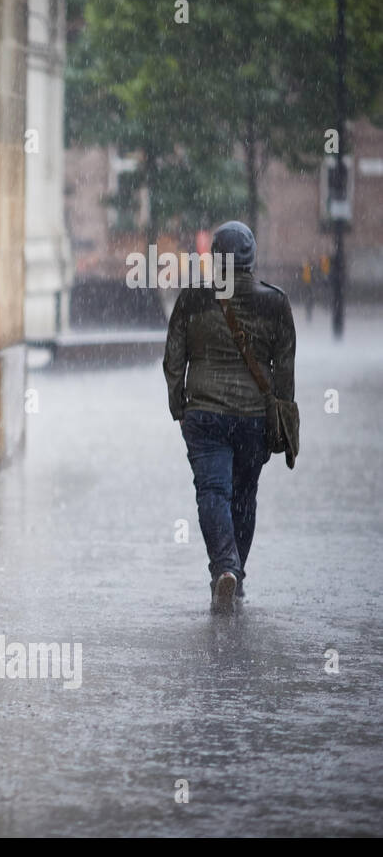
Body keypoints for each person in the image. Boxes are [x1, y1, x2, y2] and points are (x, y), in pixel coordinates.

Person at [163, 220, 296, 613]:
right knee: (244, 496)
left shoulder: (192, 298)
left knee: (212, 492)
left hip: (203, 412)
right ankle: (234, 576)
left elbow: (173, 358)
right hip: (253, 417)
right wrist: (281, 419)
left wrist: (179, 406)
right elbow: (284, 372)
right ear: (251, 258)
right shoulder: (276, 302)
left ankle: (224, 567)